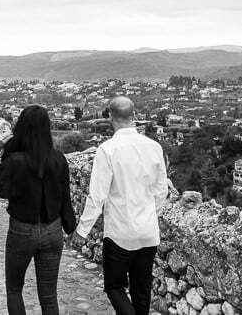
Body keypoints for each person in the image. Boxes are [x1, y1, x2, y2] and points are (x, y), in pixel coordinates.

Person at [72, 96, 169, 315]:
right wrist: (150, 215)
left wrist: (83, 230)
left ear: (110, 117)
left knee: (114, 287)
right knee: (141, 290)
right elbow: (161, 191)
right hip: (147, 232)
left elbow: (97, 196)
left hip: (120, 233)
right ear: (134, 116)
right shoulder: (154, 147)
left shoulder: (107, 150)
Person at [0, 105, 77, 315]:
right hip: (53, 231)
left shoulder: (16, 162)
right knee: (49, 297)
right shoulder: (59, 159)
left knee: (14, 289)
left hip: (22, 230)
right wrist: (70, 226)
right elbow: (65, 198)